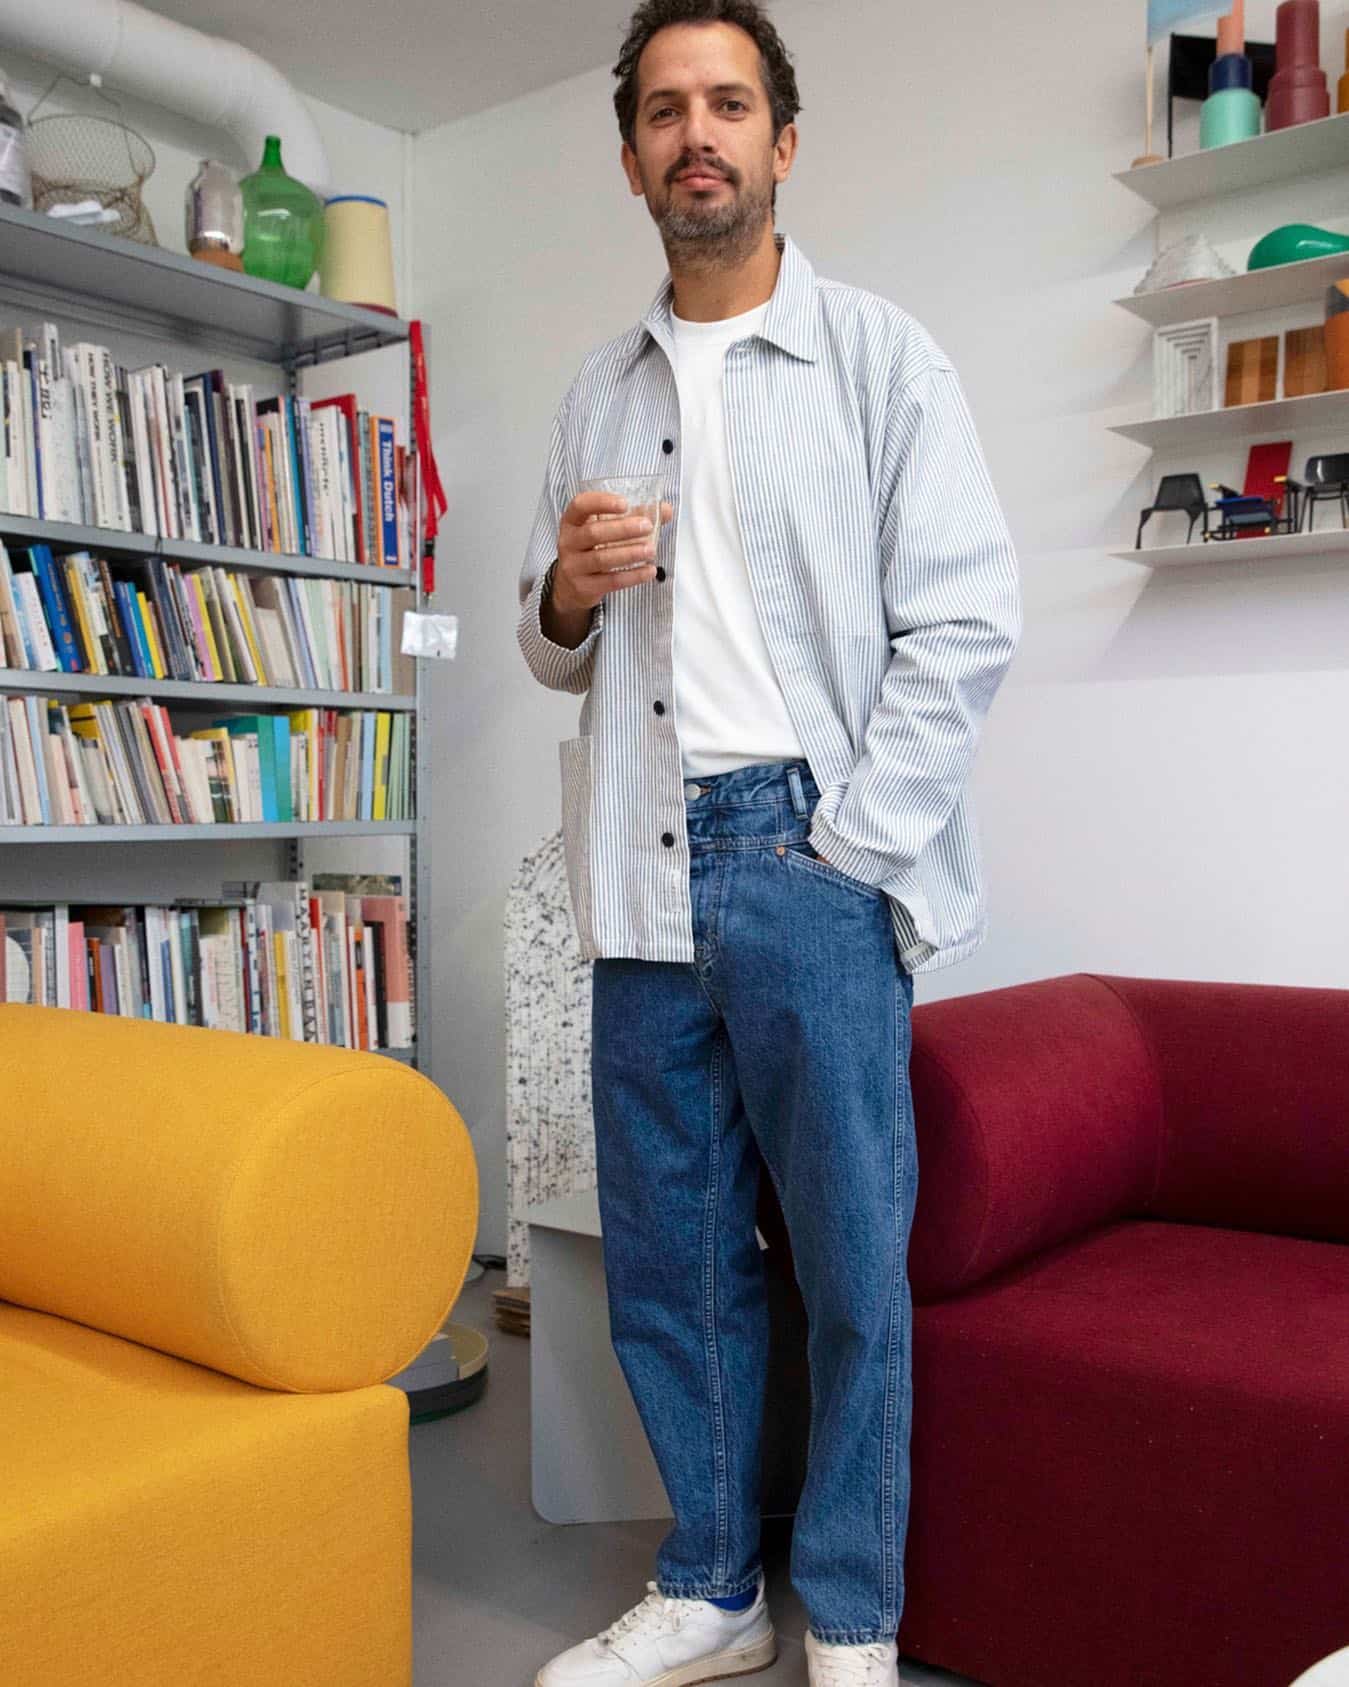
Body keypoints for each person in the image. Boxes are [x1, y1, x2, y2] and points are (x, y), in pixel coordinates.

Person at [516, 3, 1021, 1683]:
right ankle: (715, 1589)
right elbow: (543, 641)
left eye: (728, 102)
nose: (697, 134)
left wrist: (851, 850)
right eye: (664, 111)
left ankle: (855, 1615)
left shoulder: (879, 356)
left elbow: (963, 625)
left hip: (811, 852)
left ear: (782, 143)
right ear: (629, 160)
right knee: (669, 1261)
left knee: (846, 1265)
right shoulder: (598, 386)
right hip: (641, 867)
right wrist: (566, 592)